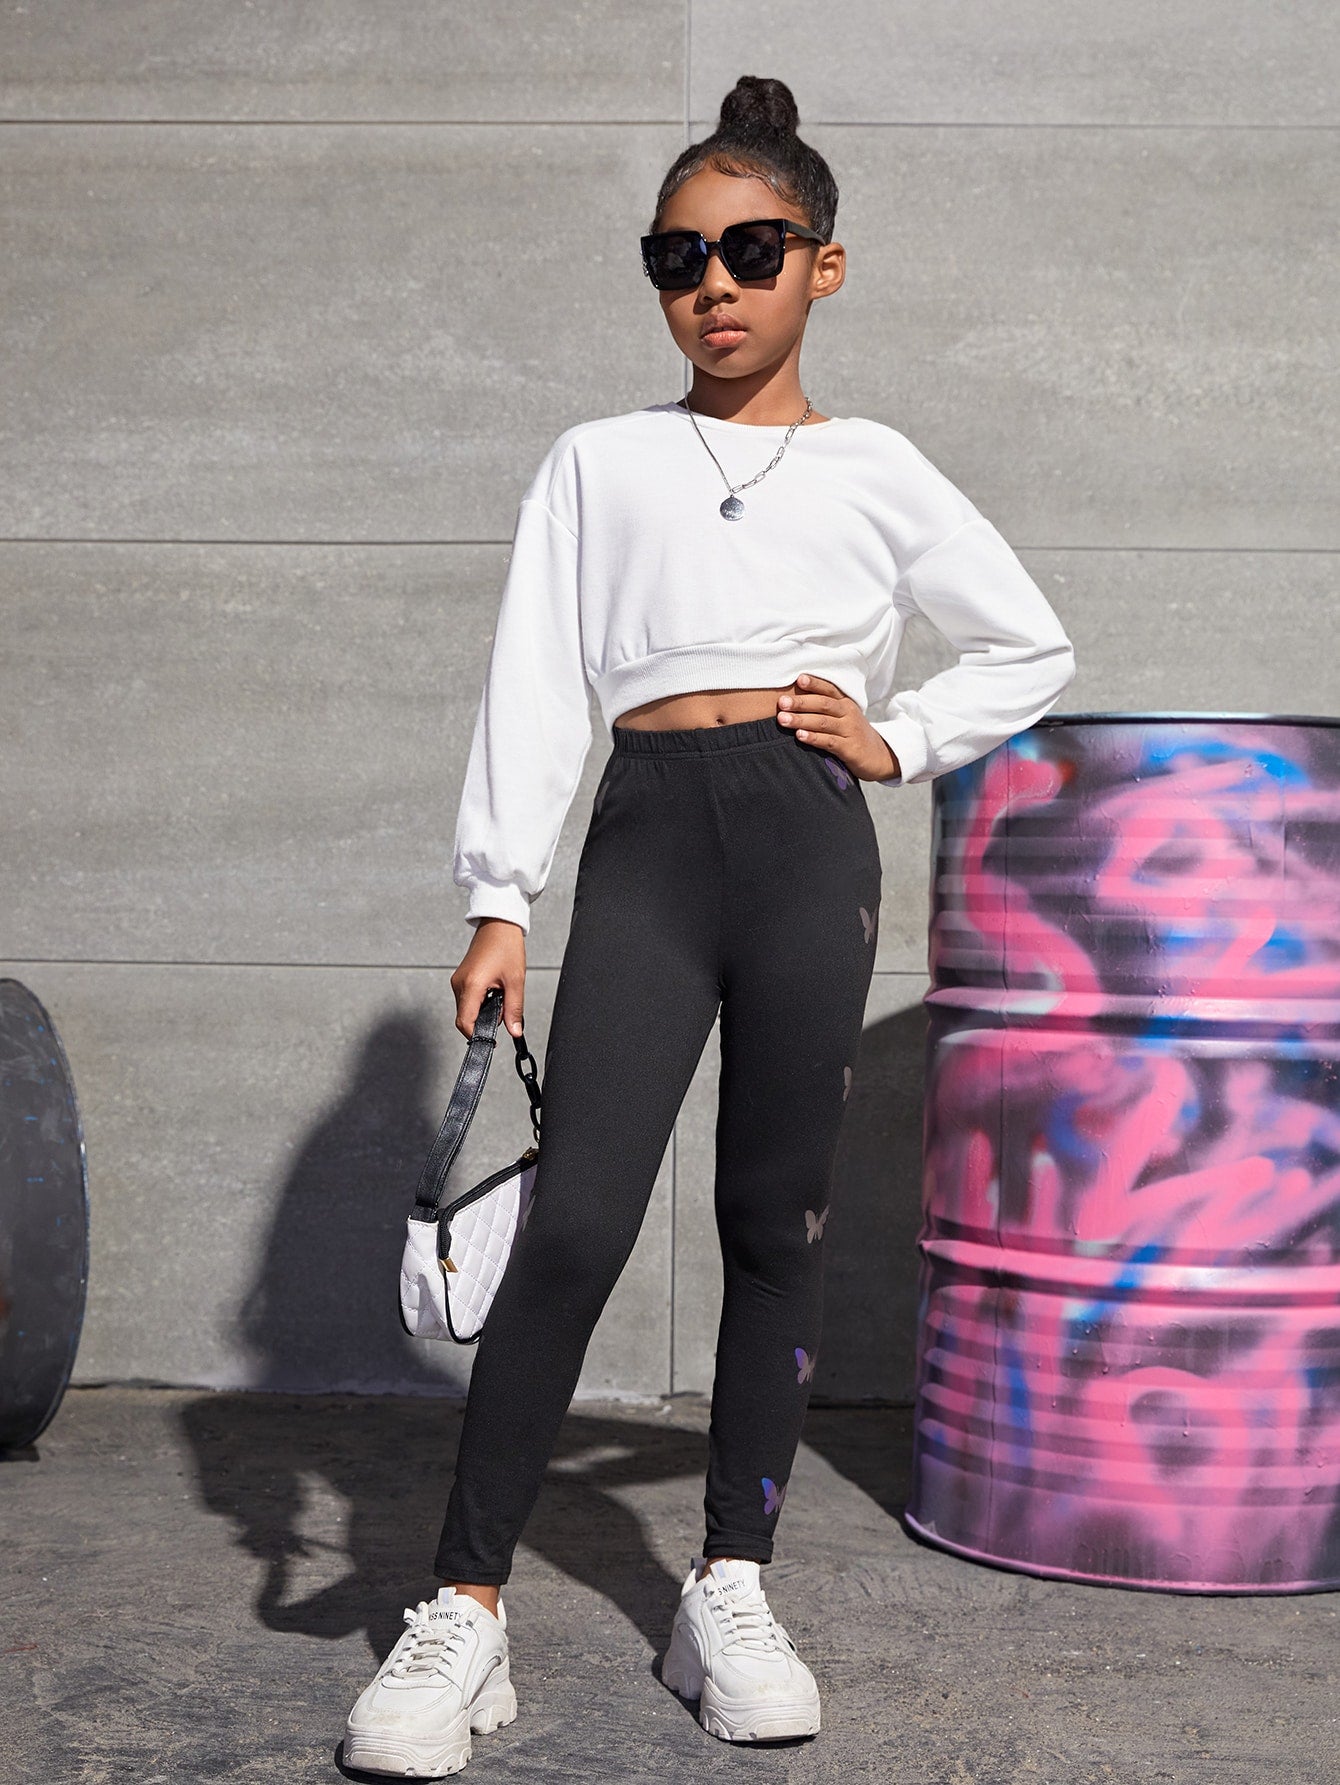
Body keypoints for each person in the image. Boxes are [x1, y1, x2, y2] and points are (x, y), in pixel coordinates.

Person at [344, 72, 1076, 1777]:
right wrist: (500, 894)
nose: (715, 284)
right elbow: (538, 678)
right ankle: (465, 1606)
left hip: (809, 839)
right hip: (653, 836)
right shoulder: (598, 462)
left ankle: (730, 1583)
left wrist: (899, 738)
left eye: (754, 249)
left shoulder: (876, 467)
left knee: (773, 1219)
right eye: (679, 255)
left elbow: (1028, 642)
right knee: (580, 1222)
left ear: (826, 264)